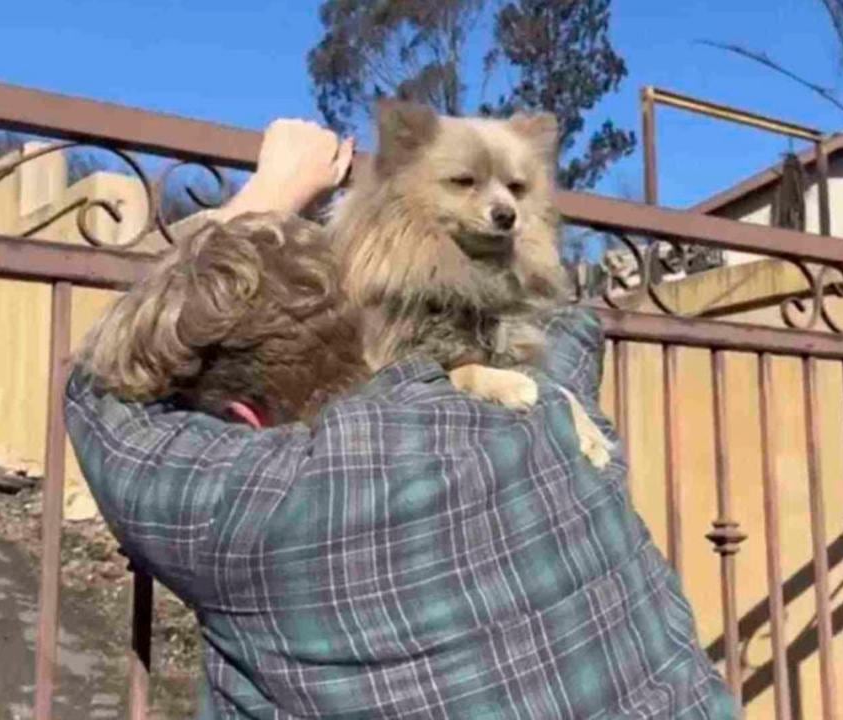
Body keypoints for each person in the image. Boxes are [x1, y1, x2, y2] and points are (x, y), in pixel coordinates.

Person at [65, 119, 736, 719]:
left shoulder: (249, 513)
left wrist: (267, 194)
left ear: (241, 417)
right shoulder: (542, 412)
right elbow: (566, 322)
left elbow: (99, 391)